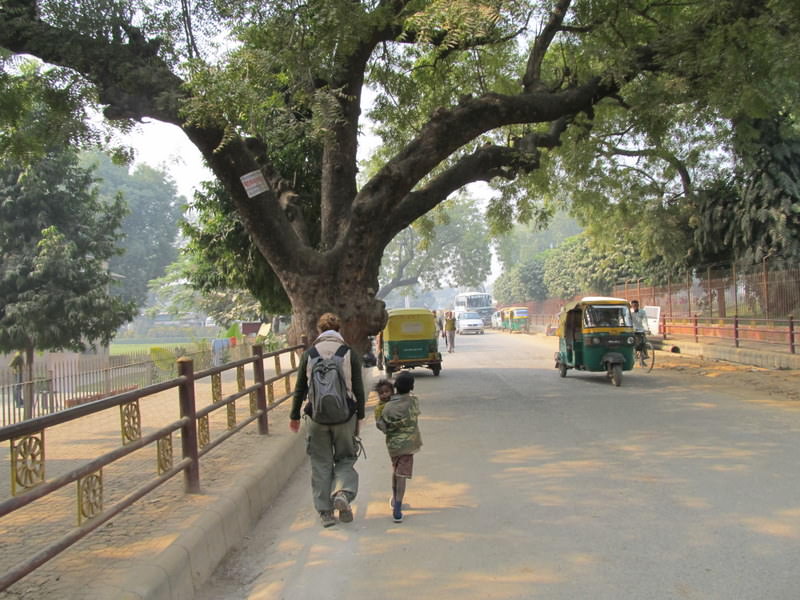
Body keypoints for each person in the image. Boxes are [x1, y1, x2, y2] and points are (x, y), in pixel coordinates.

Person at [290, 312, 366, 527]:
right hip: (345, 417)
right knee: (345, 458)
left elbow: (300, 389)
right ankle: (342, 493)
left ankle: (325, 513)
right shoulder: (348, 352)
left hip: (317, 417)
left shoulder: (310, 353)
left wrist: (294, 416)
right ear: (339, 329)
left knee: (321, 463)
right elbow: (358, 389)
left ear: (319, 330)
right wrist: (359, 416)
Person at [374, 371, 422, 523]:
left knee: (396, 470)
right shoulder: (414, 401)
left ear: (395, 387)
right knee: (402, 475)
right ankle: (397, 508)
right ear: (412, 386)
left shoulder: (387, 408)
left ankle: (395, 500)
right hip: (408, 445)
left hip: (393, 446)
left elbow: (382, 426)